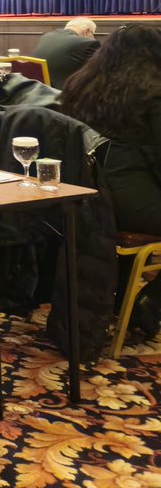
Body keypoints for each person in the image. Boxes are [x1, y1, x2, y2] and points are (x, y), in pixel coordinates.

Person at [62, 25, 161, 333]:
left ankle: (126, 302)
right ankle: (151, 300)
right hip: (126, 202)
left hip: (83, 195)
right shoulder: (153, 94)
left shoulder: (79, 86)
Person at [32, 17, 100, 89]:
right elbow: (99, 71)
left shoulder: (46, 36)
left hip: (41, 89)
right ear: (87, 31)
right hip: (66, 93)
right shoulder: (87, 43)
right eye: (93, 34)